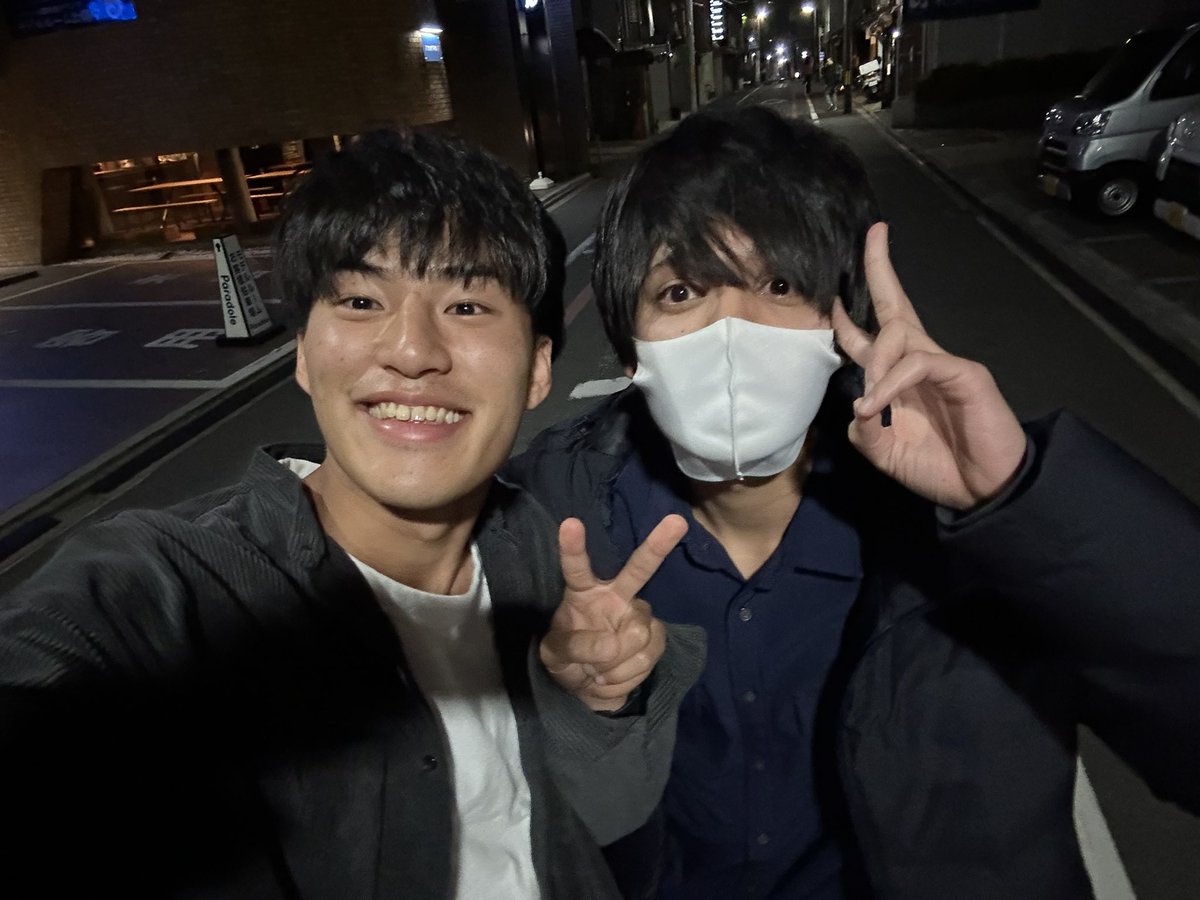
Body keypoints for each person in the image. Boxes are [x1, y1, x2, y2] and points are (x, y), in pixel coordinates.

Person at [506, 106, 1200, 899]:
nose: (732, 331)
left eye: (779, 284)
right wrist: (574, 702)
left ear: (840, 322)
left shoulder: (968, 529)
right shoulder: (549, 510)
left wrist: (1017, 500)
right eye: (682, 290)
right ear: (631, 348)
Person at [0, 128, 705, 899]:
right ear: (304, 352)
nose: (411, 349)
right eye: (363, 301)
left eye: (466, 305)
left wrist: (601, 701)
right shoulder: (167, 589)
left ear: (538, 369)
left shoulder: (532, 546)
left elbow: (602, 816)